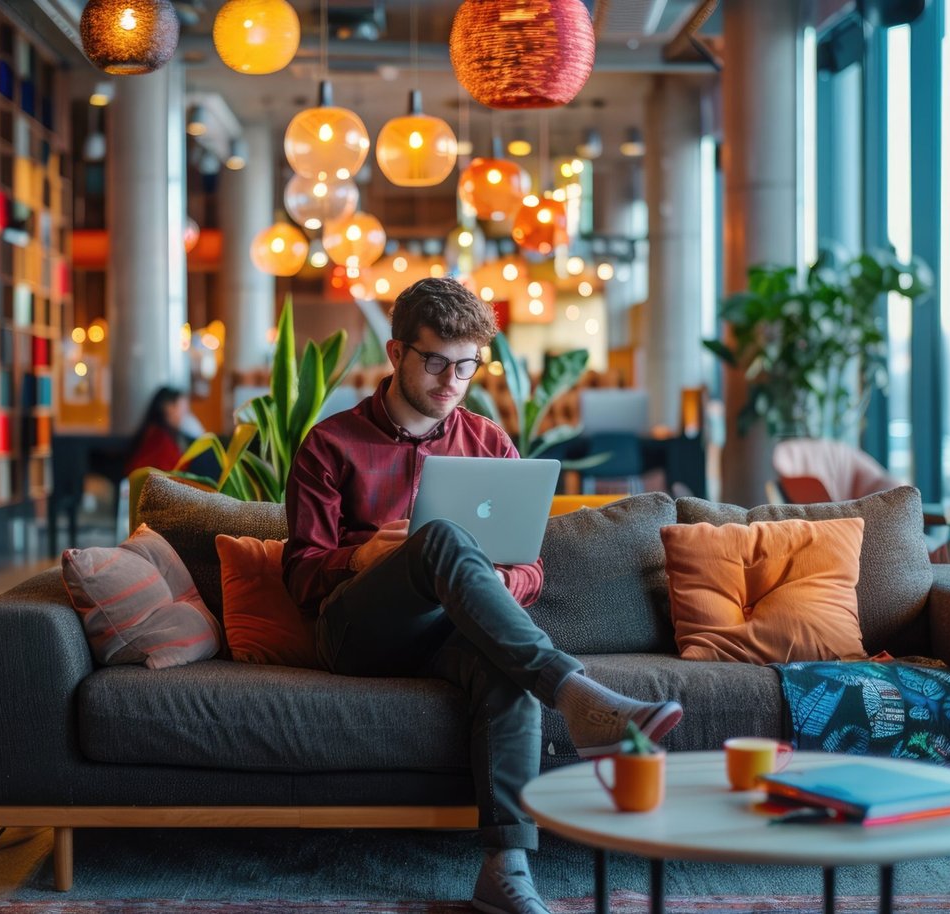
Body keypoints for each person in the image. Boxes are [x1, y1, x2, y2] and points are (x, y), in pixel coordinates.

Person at [283, 277, 682, 914]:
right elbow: (301, 575)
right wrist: (364, 555)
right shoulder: (330, 446)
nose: (451, 380)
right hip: (357, 632)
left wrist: (498, 581)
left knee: (506, 666)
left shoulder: (490, 442)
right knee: (440, 537)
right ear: (396, 354)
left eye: (466, 365)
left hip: (452, 629)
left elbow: (530, 567)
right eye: (435, 361)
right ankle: (577, 694)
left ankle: (506, 869)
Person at [124, 386, 204, 475]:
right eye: (183, 409)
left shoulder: (158, 434)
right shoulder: (159, 440)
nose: (185, 415)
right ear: (169, 407)